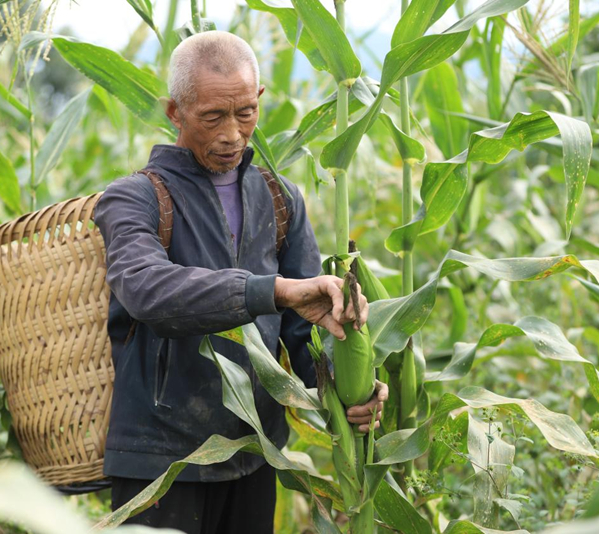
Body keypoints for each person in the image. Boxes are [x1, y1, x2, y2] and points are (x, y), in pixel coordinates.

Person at [94, 30, 388, 533]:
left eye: (245, 113)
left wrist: (353, 389)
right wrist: (271, 290)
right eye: (213, 117)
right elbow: (148, 289)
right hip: (160, 462)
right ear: (175, 112)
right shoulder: (133, 199)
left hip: (255, 453)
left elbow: (306, 335)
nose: (232, 133)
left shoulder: (279, 199)